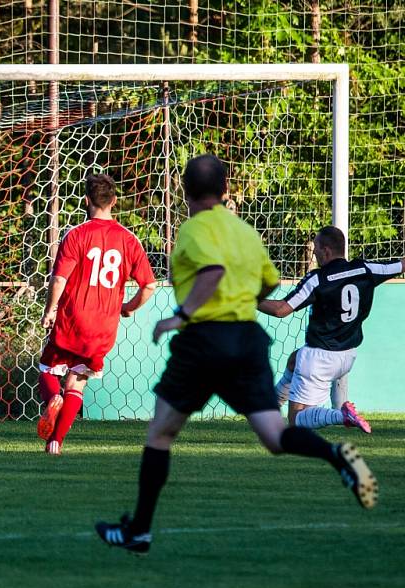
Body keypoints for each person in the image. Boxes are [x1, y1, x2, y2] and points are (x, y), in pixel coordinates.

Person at [94, 155, 378, 555]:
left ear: (187, 193)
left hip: (203, 342)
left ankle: (139, 530)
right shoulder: (244, 233)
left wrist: (180, 316)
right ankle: (336, 457)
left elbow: (211, 273)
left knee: (160, 433)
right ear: (225, 191)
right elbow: (267, 283)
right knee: (275, 435)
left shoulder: (194, 229)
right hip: (247, 342)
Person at [37, 173, 156, 455]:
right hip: (103, 328)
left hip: (72, 320)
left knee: (47, 369)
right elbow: (149, 285)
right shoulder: (129, 240)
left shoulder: (76, 234)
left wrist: (50, 310)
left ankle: (54, 398)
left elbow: (59, 280)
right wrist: (128, 307)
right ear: (114, 201)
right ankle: (56, 443)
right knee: (78, 381)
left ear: (86, 200)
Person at [259, 225, 404, 433]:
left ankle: (340, 415)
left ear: (326, 250)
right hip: (347, 357)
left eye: (316, 247)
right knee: (294, 359)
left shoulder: (319, 279)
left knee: (296, 420)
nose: (314, 252)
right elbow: (401, 265)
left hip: (319, 359)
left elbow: (281, 309)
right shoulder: (366, 269)